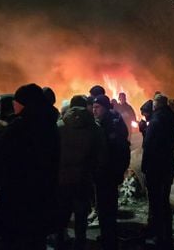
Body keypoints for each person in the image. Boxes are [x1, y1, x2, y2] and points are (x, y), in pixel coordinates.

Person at [0, 83, 60, 250]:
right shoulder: (51, 124)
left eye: (17, 101)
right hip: (43, 194)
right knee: (36, 239)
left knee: (18, 240)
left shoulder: (21, 125)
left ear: (25, 103)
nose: (14, 105)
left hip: (18, 196)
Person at [55, 95, 105, 250]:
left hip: (62, 179)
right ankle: (80, 244)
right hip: (83, 179)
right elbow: (102, 156)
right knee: (81, 215)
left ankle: (60, 242)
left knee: (62, 214)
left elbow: (50, 153)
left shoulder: (59, 126)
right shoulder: (95, 128)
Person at [91, 94, 129, 250]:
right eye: (93, 107)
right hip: (110, 172)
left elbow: (116, 149)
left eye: (97, 107)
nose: (94, 111)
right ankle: (108, 235)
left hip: (107, 173)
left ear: (105, 107)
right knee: (108, 206)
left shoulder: (108, 124)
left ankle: (109, 239)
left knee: (106, 206)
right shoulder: (114, 120)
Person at [141, 94, 174, 250]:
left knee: (157, 203)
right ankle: (166, 236)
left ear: (156, 106)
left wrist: (144, 131)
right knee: (164, 202)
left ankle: (159, 238)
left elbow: (148, 147)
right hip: (167, 166)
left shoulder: (156, 122)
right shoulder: (172, 120)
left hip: (155, 168)